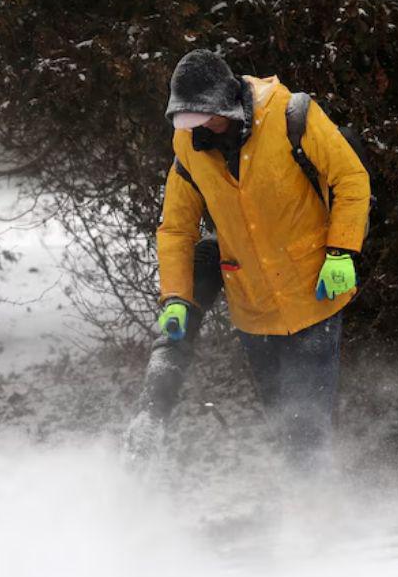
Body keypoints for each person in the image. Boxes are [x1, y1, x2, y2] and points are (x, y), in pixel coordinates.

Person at [156, 49, 371, 470]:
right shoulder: (188, 146)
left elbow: (350, 178)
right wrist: (176, 297)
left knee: (305, 418)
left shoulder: (292, 116)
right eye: (187, 119)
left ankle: (315, 514)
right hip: (252, 308)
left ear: (226, 104)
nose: (196, 128)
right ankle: (307, 501)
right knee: (282, 418)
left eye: (202, 117)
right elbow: (177, 229)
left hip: (314, 292)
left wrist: (342, 251)